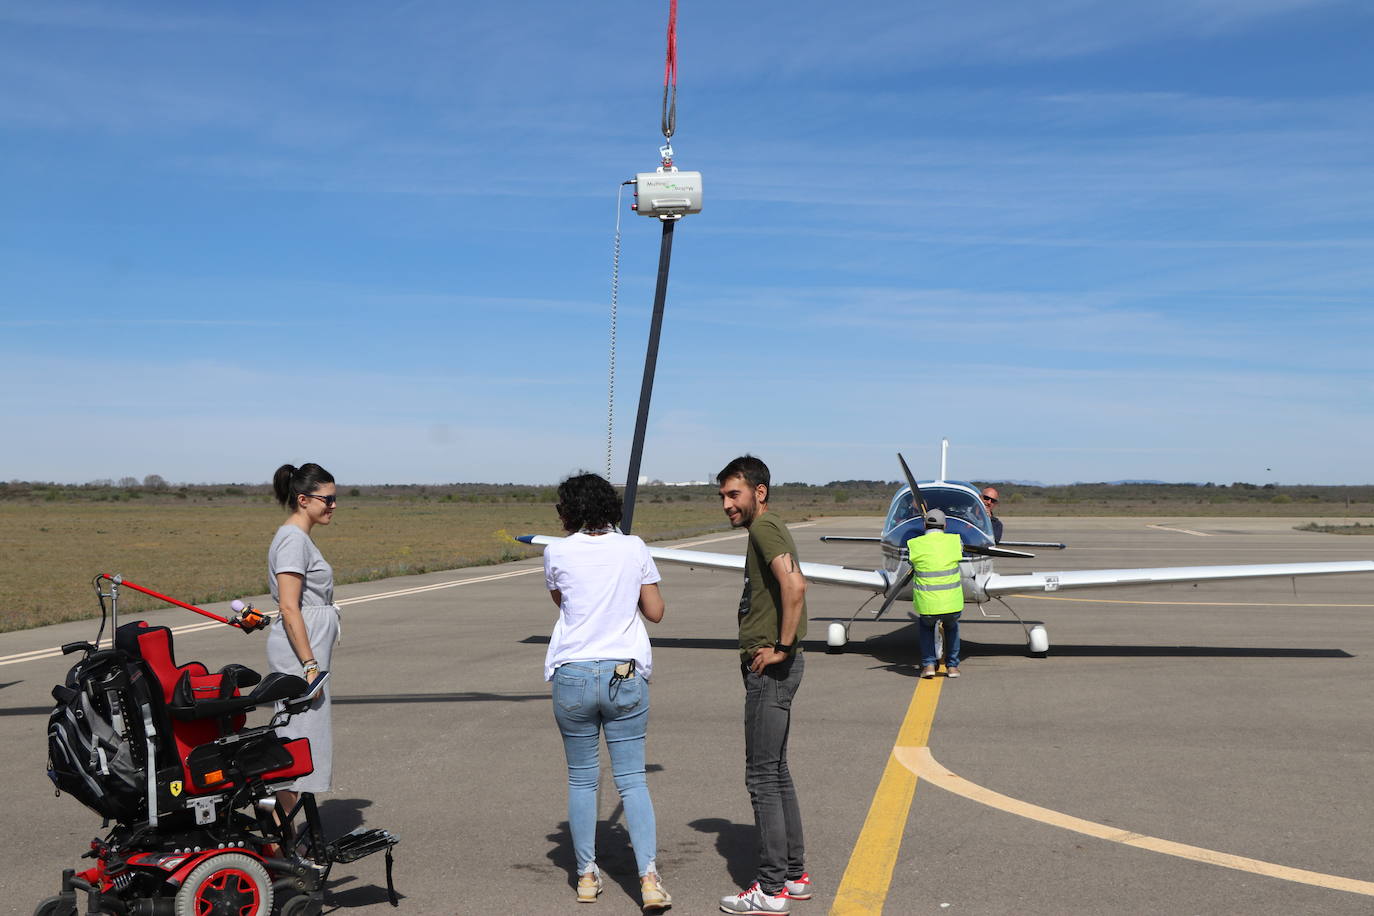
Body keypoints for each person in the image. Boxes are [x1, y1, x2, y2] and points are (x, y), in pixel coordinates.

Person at [542, 473, 672, 911]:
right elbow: (655, 612)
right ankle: (649, 879)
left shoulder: (555, 551)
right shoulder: (633, 548)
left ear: (569, 512)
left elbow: (566, 603)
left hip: (573, 673)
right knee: (632, 780)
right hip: (624, 673)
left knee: (582, 778)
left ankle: (585, 876)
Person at [716, 456, 812, 916]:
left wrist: (780, 646)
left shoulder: (764, 529)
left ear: (760, 492)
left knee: (761, 778)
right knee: (777, 771)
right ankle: (793, 875)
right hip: (776, 666)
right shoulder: (769, 527)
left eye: (734, 495)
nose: (727, 504)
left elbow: (795, 586)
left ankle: (771, 889)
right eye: (723, 497)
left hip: (769, 669)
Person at [265, 462, 342, 817]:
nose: (333, 505)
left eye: (334, 498)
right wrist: (310, 666)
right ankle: (285, 837)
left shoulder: (299, 538)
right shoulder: (293, 540)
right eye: (327, 499)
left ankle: (292, 834)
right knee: (298, 738)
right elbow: (289, 606)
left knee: (304, 737)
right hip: (302, 652)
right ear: (303, 499)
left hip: (308, 645)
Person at [910, 508, 965, 679]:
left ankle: (928, 665)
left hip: (927, 605)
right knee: (952, 626)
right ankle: (953, 667)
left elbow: (911, 562)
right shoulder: (955, 541)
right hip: (952, 603)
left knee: (926, 627)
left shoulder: (914, 544)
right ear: (945, 525)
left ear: (924, 524)